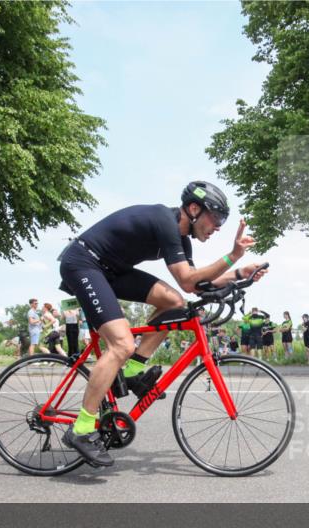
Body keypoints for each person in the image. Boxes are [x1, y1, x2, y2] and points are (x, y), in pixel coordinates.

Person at [56, 180, 267, 466]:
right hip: (84, 263)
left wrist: (240, 272)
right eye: (215, 218)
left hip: (111, 270)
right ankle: (81, 429)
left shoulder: (182, 238)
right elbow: (187, 278)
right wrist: (232, 256)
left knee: (174, 303)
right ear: (194, 209)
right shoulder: (165, 221)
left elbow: (196, 285)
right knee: (121, 344)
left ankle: (131, 370)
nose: (217, 227)